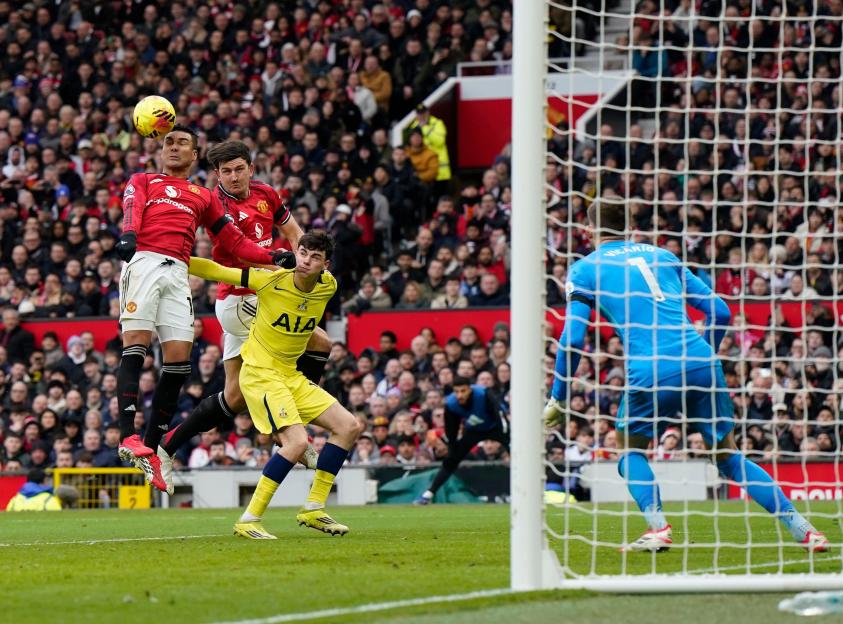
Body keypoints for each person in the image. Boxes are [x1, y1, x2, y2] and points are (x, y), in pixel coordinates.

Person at [543, 200, 828, 553]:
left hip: (650, 369)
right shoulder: (664, 256)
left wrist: (558, 397)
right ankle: (805, 530)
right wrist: (703, 356)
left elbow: (572, 340)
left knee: (630, 451)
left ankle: (658, 528)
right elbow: (720, 312)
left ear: (588, 231)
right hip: (700, 361)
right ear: (630, 227)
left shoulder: (584, 269)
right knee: (727, 456)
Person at [115, 126, 293, 491]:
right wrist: (129, 234)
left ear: (195, 155)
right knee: (136, 346)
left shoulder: (203, 196)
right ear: (160, 150)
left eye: (182, 143)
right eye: (169, 142)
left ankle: (152, 448)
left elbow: (235, 242)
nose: (174, 147)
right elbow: (131, 207)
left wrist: (273, 256)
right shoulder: (144, 180)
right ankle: (126, 435)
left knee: (179, 363)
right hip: (145, 260)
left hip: (178, 272)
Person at [155, 140, 331, 492]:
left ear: (251, 168)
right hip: (239, 298)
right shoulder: (213, 204)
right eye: (226, 172)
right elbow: (241, 250)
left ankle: (167, 446)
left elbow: (294, 232)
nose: (234, 177)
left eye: (239, 169)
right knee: (318, 342)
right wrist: (280, 263)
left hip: (265, 292)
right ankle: (292, 435)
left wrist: (305, 262)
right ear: (216, 174)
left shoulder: (267, 193)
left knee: (234, 397)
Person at [187, 231, 362, 539]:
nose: (306, 261)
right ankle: (249, 519)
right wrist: (172, 258)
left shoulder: (328, 286)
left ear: (325, 265)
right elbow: (216, 270)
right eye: (303, 253)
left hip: (290, 375)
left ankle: (313, 508)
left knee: (349, 426)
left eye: (315, 257)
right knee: (296, 443)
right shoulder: (269, 281)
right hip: (260, 374)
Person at [414, 376, 509, 504]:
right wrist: (452, 448)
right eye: (456, 391)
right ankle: (429, 494)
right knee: (451, 459)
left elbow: (500, 416)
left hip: (496, 427)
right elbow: (451, 429)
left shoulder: (483, 394)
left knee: (517, 452)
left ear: (470, 389)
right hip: (474, 430)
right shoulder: (451, 404)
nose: (460, 395)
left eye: (463, 391)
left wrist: (506, 436)